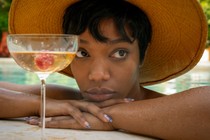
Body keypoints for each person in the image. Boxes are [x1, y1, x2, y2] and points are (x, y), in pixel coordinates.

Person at [0, 0, 210, 139]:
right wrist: (43, 104)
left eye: (119, 53)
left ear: (142, 55)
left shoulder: (177, 111)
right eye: (82, 53)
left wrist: (111, 117)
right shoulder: (67, 101)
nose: (98, 75)